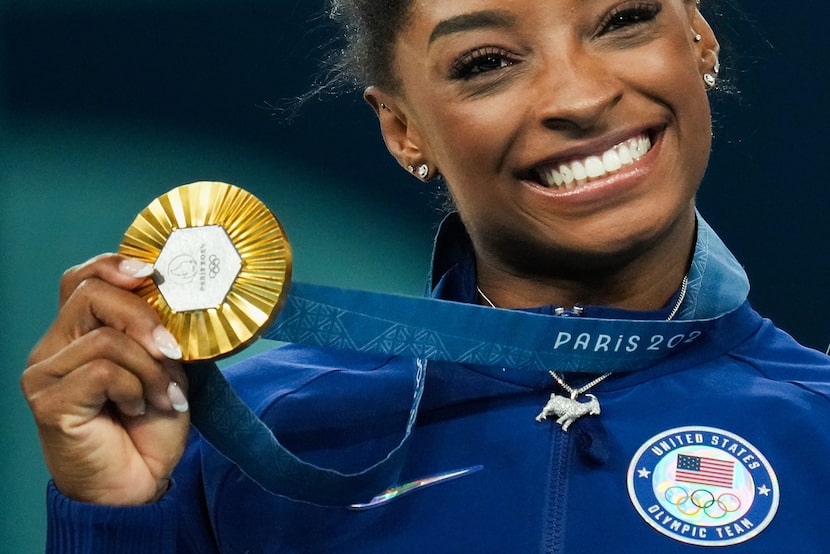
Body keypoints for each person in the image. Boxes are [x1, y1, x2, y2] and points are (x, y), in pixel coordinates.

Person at [21, 0, 830, 551]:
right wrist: (117, 517)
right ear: (404, 129)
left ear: (699, 36)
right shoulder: (256, 433)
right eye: (486, 62)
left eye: (622, 19)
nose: (581, 97)